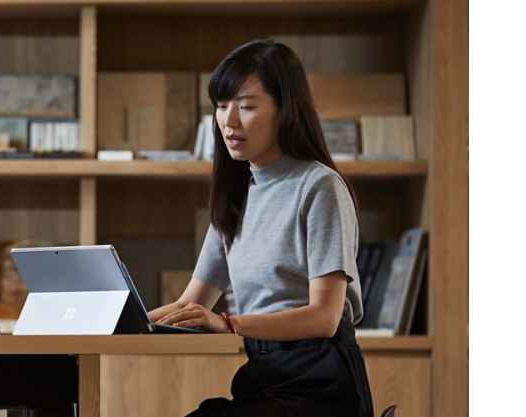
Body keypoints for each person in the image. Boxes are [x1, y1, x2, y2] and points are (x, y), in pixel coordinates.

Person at [147, 39, 375, 417]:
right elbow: (191, 305)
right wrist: (117, 321)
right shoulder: (235, 196)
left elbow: (324, 316)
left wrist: (228, 323)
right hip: (264, 377)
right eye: (221, 106)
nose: (229, 121)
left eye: (247, 106)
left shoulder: (319, 187)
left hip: (320, 384)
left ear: (286, 110)